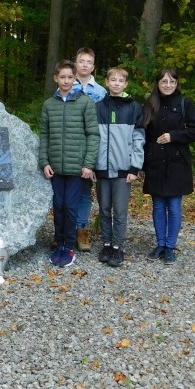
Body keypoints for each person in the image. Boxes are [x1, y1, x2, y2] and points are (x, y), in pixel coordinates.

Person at [141, 69, 195, 265]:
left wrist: (174, 136)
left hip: (177, 162)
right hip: (155, 161)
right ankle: (160, 244)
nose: (168, 85)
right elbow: (143, 135)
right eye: (164, 81)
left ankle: (170, 246)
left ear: (177, 83)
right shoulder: (150, 104)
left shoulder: (186, 103)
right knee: (158, 205)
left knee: (174, 206)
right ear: (157, 83)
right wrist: (142, 163)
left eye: (172, 81)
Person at [39, 59, 98, 268]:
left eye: (69, 77)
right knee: (59, 206)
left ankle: (70, 246)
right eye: (62, 77)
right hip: (55, 167)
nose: (66, 81)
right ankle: (59, 244)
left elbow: (93, 134)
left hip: (76, 168)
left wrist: (88, 164)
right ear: (56, 78)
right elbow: (44, 135)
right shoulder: (49, 104)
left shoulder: (85, 102)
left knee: (71, 207)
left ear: (75, 79)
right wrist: (44, 162)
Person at [93, 67, 144, 268]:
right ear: (106, 82)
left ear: (125, 84)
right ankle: (106, 243)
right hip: (102, 169)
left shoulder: (134, 108)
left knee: (119, 210)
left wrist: (135, 167)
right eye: (112, 80)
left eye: (120, 81)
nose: (116, 83)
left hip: (123, 169)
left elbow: (139, 138)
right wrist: (91, 165)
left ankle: (118, 246)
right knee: (104, 209)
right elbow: (93, 137)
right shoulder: (98, 107)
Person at [73, 47, 107, 252]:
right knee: (68, 191)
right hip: (69, 147)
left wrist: (95, 158)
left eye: (88, 62)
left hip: (90, 148)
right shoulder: (66, 85)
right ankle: (66, 231)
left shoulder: (101, 92)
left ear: (93, 66)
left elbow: (102, 127)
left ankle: (81, 230)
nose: (84, 65)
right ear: (75, 63)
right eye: (81, 61)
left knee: (85, 192)